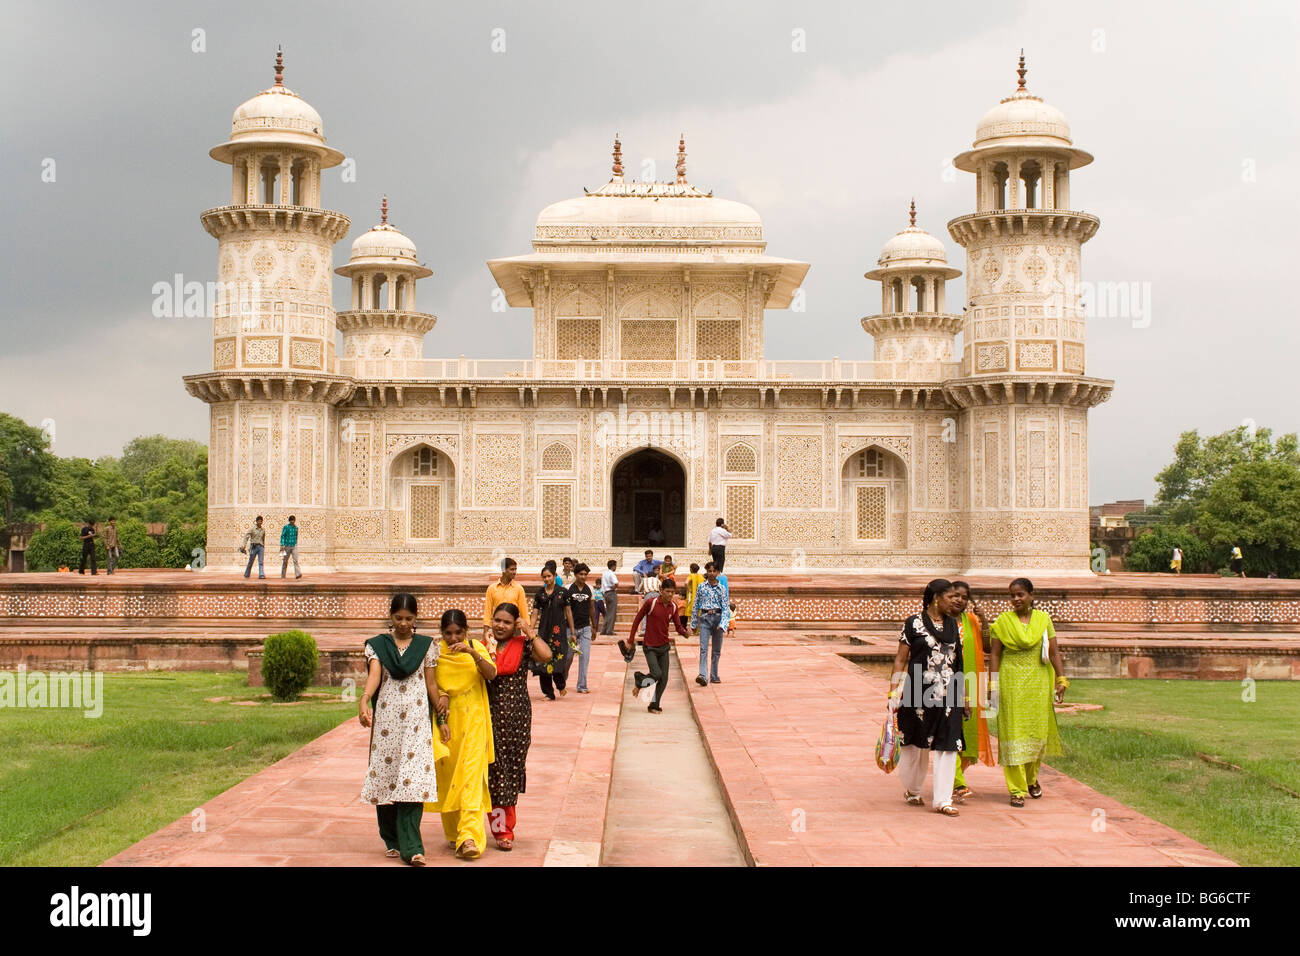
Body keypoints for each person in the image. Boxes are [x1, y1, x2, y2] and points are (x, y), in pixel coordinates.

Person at [359, 592, 448, 866]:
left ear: (416, 619)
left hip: (417, 722)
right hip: (387, 722)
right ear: (390, 616)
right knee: (387, 776)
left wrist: (442, 719)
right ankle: (392, 839)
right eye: (398, 618)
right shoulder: (378, 645)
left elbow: (431, 684)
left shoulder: (426, 645)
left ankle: (412, 848)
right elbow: (375, 675)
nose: (403, 624)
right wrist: (364, 700)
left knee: (412, 780)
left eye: (409, 619)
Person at [888, 579, 968, 817]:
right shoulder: (913, 623)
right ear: (936, 598)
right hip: (917, 690)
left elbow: (959, 663)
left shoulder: (955, 626)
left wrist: (964, 696)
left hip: (949, 691)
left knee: (949, 744)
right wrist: (894, 691)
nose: (956, 600)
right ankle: (913, 788)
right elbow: (901, 659)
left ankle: (943, 799)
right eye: (951, 596)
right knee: (916, 743)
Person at [989, 577, 1068, 808]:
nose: (1016, 599)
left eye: (1020, 594)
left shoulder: (1044, 620)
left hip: (1039, 682)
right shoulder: (1002, 622)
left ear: (1031, 596)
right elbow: (994, 655)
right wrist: (992, 686)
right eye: (1012, 595)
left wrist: (1061, 678)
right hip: (1011, 681)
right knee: (1013, 734)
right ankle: (1016, 789)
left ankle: (1032, 778)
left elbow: (1054, 652)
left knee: (1036, 733)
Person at [425, 608, 496, 860]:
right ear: (441, 633)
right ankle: (456, 832)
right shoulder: (435, 652)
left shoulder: (476, 645)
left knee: (471, 779)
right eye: (448, 634)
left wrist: (472, 653)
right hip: (449, 723)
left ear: (466, 631)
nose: (453, 639)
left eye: (458, 633)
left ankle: (469, 836)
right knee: (450, 776)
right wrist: (442, 700)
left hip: (475, 721)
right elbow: (432, 685)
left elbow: (491, 673)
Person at [485, 602, 551, 851]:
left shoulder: (523, 646)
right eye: (497, 620)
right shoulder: (485, 646)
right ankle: (495, 828)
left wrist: (530, 632)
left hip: (516, 719)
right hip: (488, 715)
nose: (500, 626)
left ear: (516, 625)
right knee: (493, 772)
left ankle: (505, 827)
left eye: (507, 622)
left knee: (509, 772)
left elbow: (546, 656)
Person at [948, 581, 995, 799]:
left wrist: (984, 619)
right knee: (951, 731)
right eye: (955, 595)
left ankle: (954, 776)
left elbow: (987, 646)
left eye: (964, 597)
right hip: (947, 683)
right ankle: (957, 781)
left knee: (968, 732)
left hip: (972, 681)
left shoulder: (973, 620)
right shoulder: (941, 621)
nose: (959, 600)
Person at [627, 577, 688, 713]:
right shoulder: (651, 603)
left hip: (664, 646)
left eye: (673, 592)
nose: (670, 595)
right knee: (656, 673)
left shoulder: (673, 607)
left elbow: (678, 626)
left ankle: (653, 705)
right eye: (667, 591)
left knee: (664, 678)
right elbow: (637, 619)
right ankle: (640, 680)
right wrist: (631, 639)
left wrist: (685, 632)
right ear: (661, 591)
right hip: (650, 646)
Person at [530, 564, 572, 700]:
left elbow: (568, 612)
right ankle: (548, 693)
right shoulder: (539, 594)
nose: (547, 579)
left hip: (559, 633)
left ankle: (560, 685)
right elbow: (535, 613)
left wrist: (573, 631)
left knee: (559, 660)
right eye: (544, 577)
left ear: (554, 576)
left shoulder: (563, 593)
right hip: (544, 632)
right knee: (543, 662)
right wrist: (530, 630)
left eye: (549, 576)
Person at [690, 563, 730, 686]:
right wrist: (694, 622)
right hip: (705, 618)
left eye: (714, 571)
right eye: (709, 571)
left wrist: (723, 624)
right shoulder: (702, 587)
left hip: (718, 618)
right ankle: (703, 675)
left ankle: (714, 675)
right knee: (703, 648)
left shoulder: (722, 588)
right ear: (707, 572)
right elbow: (696, 604)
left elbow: (725, 607)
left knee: (716, 650)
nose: (712, 573)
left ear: (717, 572)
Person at [564, 563, 595, 694]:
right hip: (570, 628)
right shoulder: (568, 589)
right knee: (569, 656)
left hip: (585, 628)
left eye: (585, 574)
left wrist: (594, 626)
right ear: (576, 575)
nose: (583, 576)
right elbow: (567, 610)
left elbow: (591, 608)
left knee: (585, 656)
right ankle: (562, 678)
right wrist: (572, 631)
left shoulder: (590, 589)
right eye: (581, 574)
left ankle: (582, 685)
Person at [483, 557, 529, 643]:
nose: (515, 572)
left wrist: (528, 632)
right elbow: (487, 612)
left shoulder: (519, 588)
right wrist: (485, 632)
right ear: (503, 569)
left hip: (514, 628)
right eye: (512, 569)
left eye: (515, 569)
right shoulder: (492, 588)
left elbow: (524, 612)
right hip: (497, 627)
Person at [682, 562, 704, 633]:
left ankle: (695, 631)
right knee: (699, 614)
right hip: (700, 597)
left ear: (691, 569)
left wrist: (689, 589)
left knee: (692, 614)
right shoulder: (701, 576)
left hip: (692, 597)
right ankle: (698, 631)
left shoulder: (691, 576)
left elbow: (686, 582)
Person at [600, 559, 620, 636]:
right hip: (611, 593)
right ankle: (610, 630)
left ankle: (604, 630)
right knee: (612, 613)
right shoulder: (612, 574)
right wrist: (613, 588)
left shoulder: (604, 573)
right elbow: (616, 583)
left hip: (605, 593)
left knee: (608, 612)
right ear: (613, 566)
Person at [279, 515, 301, 579]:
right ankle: (283, 575)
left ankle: (297, 574)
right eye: (291, 521)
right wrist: (282, 544)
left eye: (293, 521)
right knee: (285, 561)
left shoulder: (296, 528)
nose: (292, 522)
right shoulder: (286, 527)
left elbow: (296, 536)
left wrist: (296, 544)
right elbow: (283, 535)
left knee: (295, 560)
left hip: (294, 546)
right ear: (289, 521)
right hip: (287, 546)